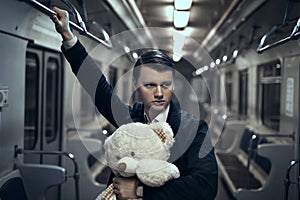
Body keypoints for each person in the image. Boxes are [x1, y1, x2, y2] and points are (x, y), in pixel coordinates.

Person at [51, 7, 218, 200]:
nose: (158, 93)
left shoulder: (194, 129)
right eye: (149, 85)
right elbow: (98, 89)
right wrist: (68, 37)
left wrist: (141, 192)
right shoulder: (130, 119)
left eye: (165, 85)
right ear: (136, 85)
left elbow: (206, 186)